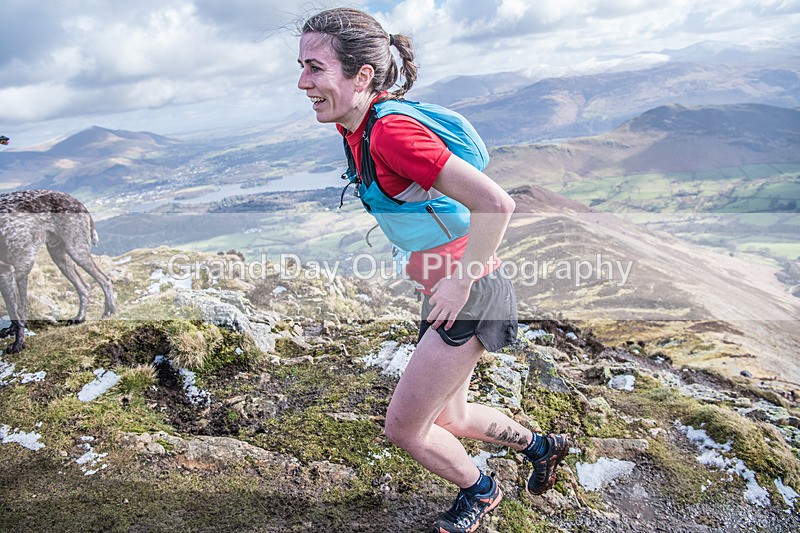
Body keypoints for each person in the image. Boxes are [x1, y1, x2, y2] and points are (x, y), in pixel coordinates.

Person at [297, 8, 569, 532]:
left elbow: (497, 203)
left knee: (405, 428)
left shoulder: (391, 135)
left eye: (315, 68)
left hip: (471, 291)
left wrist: (460, 278)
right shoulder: (356, 126)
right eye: (302, 66)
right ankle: (543, 447)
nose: (303, 82)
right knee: (453, 418)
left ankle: (480, 492)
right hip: (450, 289)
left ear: (362, 77)